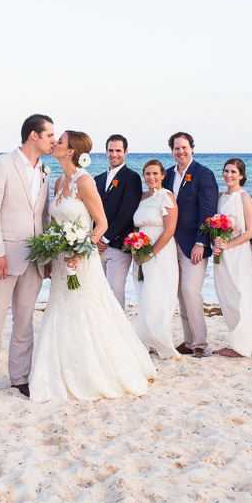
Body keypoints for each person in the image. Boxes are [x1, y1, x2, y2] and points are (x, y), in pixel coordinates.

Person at [30, 131, 157, 402]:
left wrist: (81, 249)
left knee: (87, 309)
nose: (55, 144)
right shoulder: (58, 182)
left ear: (71, 151)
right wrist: (52, 253)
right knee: (61, 308)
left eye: (60, 142)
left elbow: (101, 224)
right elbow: (55, 224)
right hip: (62, 261)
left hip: (82, 260)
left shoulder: (84, 181)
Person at [0, 114, 54, 399]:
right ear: (34, 135)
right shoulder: (1, 164)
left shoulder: (45, 170)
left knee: (24, 321)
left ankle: (20, 377)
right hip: (1, 257)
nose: (53, 141)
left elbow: (42, 215)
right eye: (49, 135)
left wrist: (49, 255)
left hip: (33, 259)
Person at [162, 132, 218, 358]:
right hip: (169, 243)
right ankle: (188, 340)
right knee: (179, 293)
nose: (180, 152)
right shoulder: (166, 175)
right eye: (176, 148)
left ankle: (200, 344)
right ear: (172, 150)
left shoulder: (204, 174)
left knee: (191, 292)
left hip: (193, 244)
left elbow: (207, 211)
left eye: (184, 147)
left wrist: (200, 242)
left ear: (192, 148)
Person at [210, 159, 252, 358]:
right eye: (226, 171)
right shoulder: (221, 197)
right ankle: (233, 342)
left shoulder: (244, 197)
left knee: (242, 296)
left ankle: (242, 346)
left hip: (238, 253)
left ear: (241, 175)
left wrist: (228, 245)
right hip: (221, 254)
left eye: (233, 172)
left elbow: (251, 231)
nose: (228, 175)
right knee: (227, 297)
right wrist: (216, 243)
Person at [130, 159, 179, 358]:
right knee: (143, 296)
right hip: (140, 250)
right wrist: (134, 245)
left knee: (157, 296)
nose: (151, 178)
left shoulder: (166, 197)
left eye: (155, 174)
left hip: (160, 251)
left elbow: (169, 230)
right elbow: (136, 224)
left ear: (162, 175)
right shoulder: (142, 198)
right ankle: (147, 341)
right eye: (148, 174)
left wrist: (151, 253)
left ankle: (161, 341)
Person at [94, 134, 142, 308]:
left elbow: (127, 213)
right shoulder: (97, 179)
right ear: (106, 151)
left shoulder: (132, 178)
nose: (114, 154)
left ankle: (118, 333)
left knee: (115, 290)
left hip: (117, 245)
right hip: (97, 246)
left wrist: (105, 238)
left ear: (126, 152)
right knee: (99, 291)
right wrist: (94, 238)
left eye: (118, 151)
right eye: (111, 150)